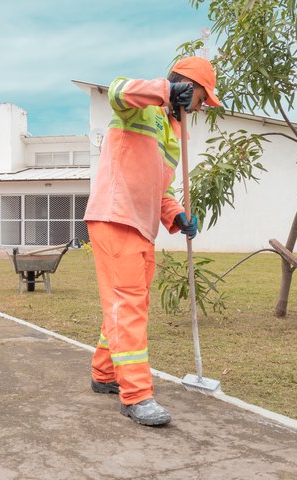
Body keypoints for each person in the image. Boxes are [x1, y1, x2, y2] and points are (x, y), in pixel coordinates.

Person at [84, 56, 222, 426]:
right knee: (128, 305)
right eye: (201, 98)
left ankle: (104, 373)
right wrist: (165, 91)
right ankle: (136, 395)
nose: (201, 107)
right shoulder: (140, 108)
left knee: (129, 302)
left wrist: (176, 215)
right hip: (116, 217)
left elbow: (161, 190)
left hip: (142, 226)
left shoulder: (174, 136)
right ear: (186, 87)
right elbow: (117, 91)